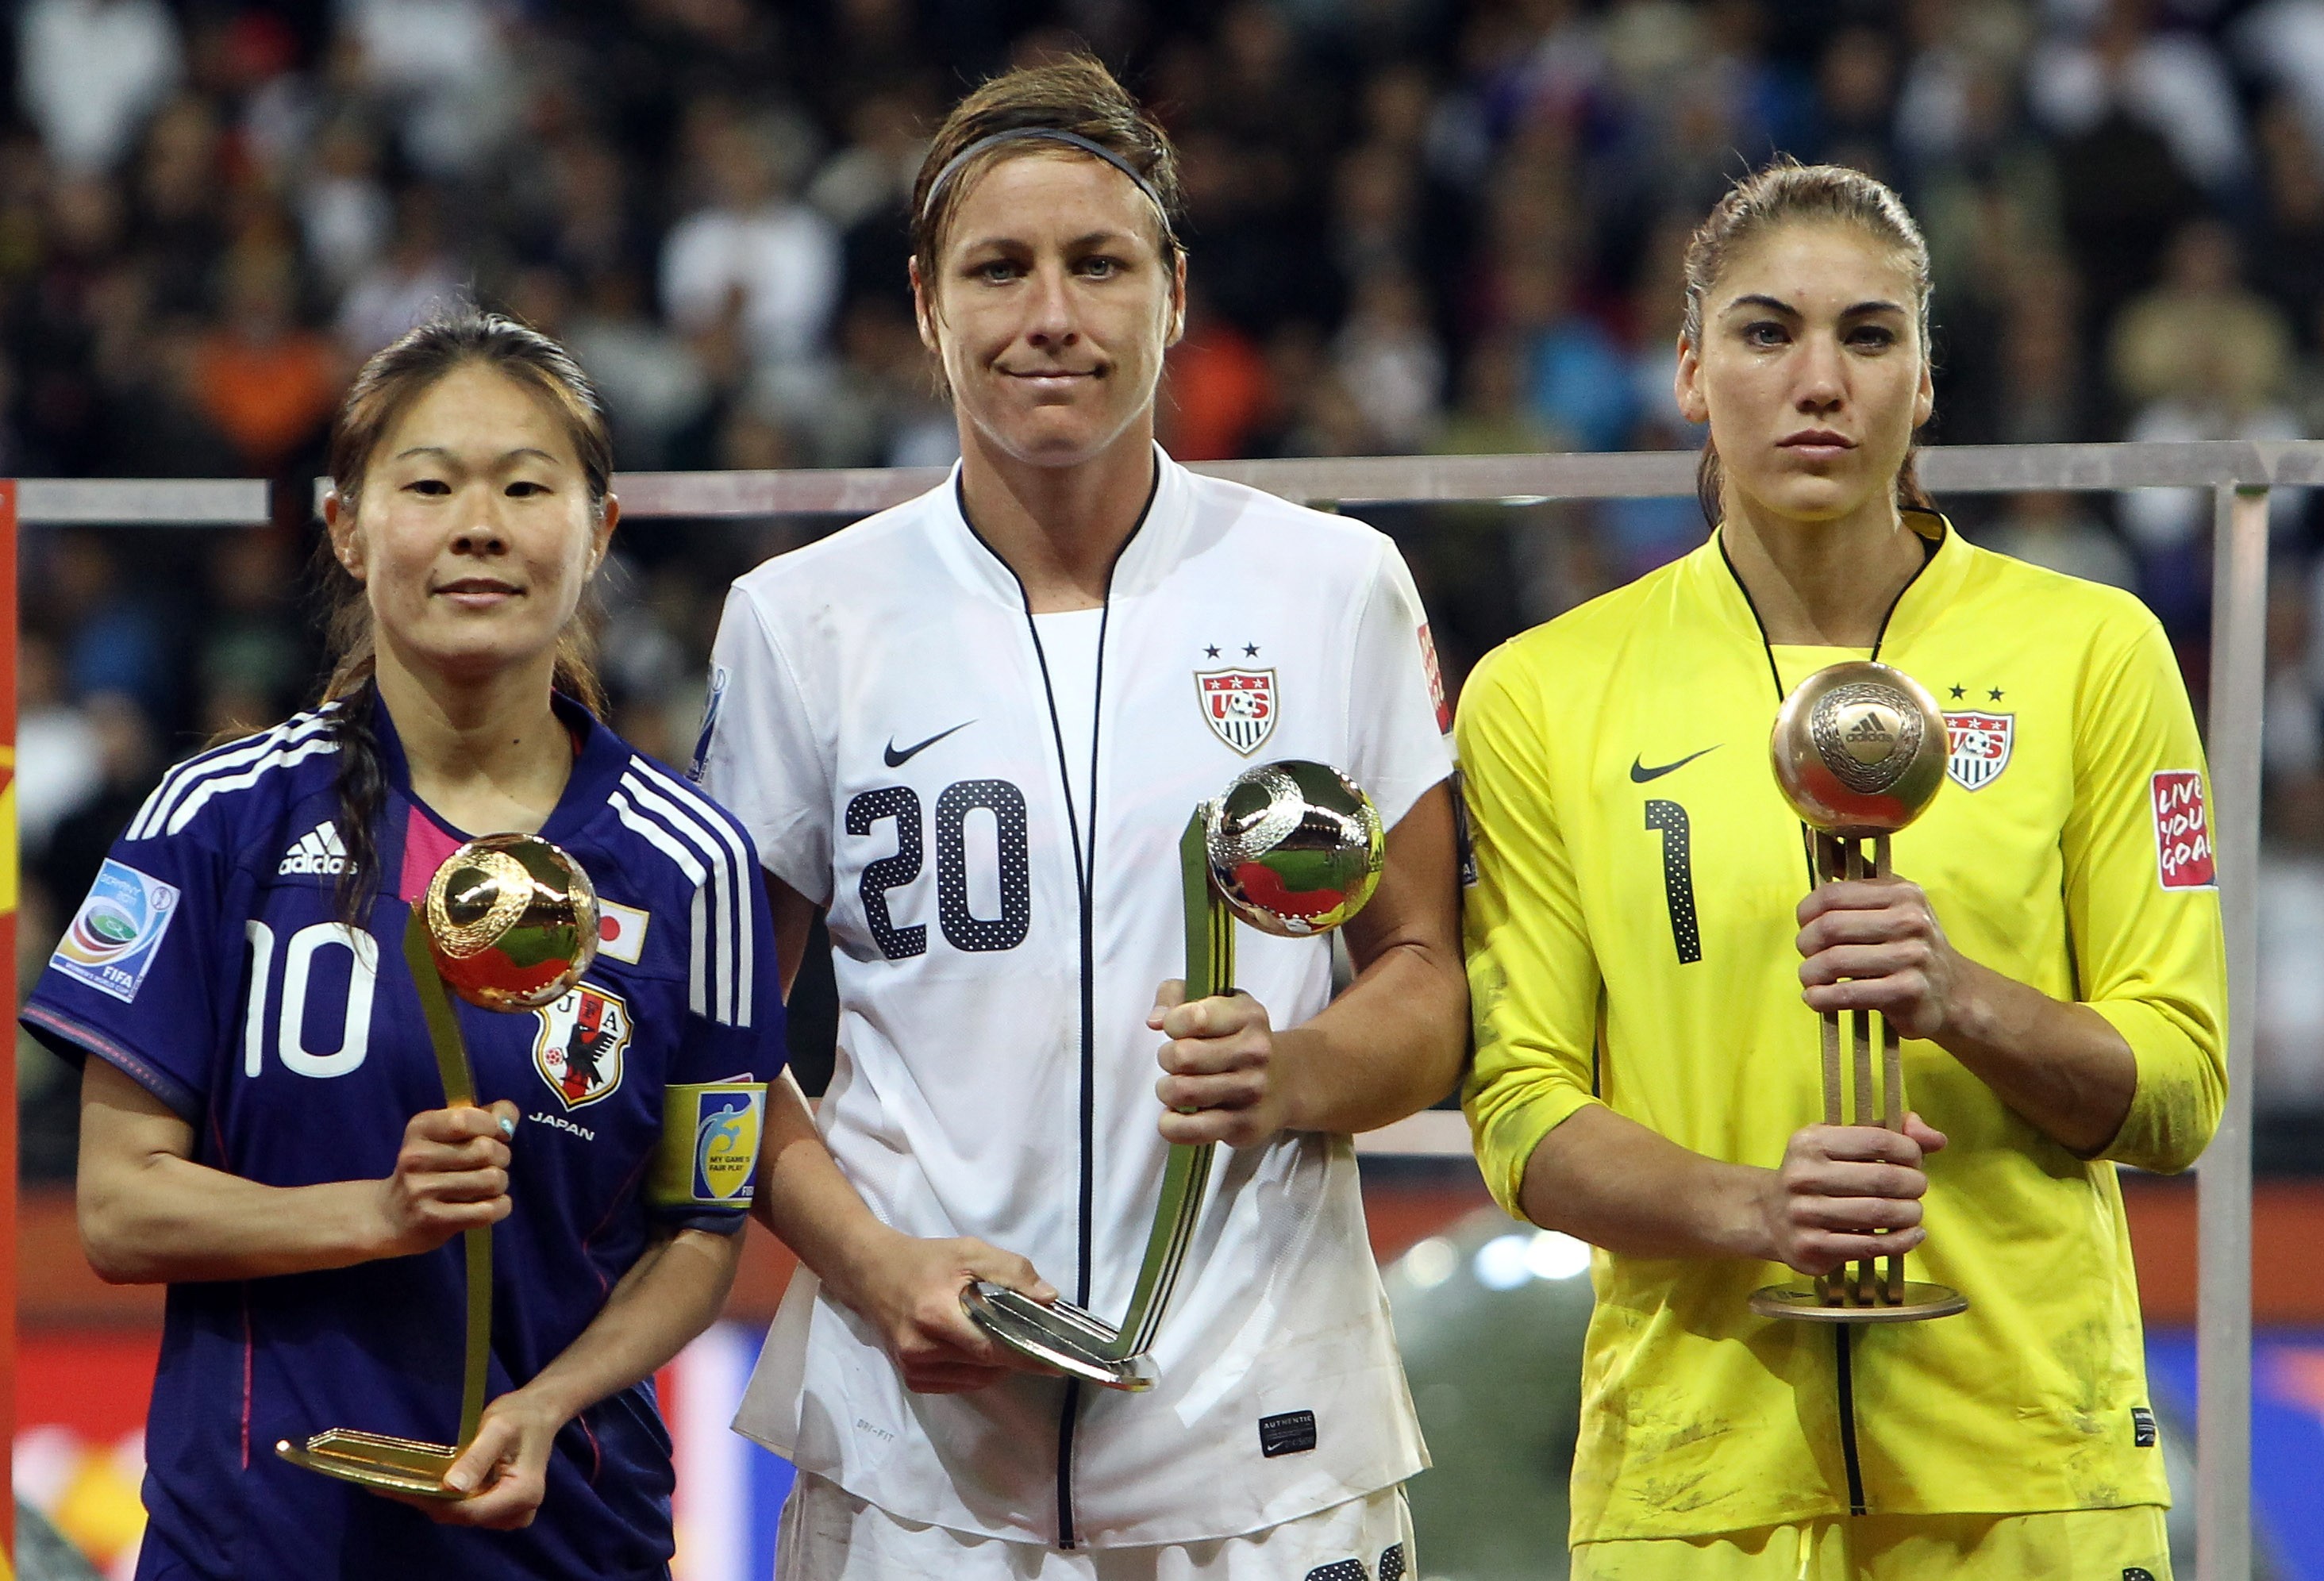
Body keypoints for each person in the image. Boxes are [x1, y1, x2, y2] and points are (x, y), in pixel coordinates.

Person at [695, 56, 1468, 1580]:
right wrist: (870, 1264)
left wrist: (1296, 1067)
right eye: (1001, 268)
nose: (1052, 314)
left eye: (1098, 264)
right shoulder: (800, 621)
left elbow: (1431, 985)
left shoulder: (1334, 587)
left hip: (1268, 1436)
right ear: (928, 303)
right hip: (916, 1452)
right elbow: (712, 1041)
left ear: (1173, 292)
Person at [1459, 161, 2225, 1580]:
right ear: (1690, 371)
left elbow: (2177, 1091)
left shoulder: (2094, 652)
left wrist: (1962, 998)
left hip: (2029, 1467)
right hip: (1696, 1486)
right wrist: (1755, 1209)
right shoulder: (1543, 692)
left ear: (1925, 379)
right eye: (1767, 334)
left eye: (1869, 336)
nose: (1821, 380)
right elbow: (1521, 1112)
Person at [24, 312, 784, 1580]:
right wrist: (377, 1212)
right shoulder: (214, 821)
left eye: (526, 487)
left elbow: (701, 1233)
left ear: (596, 534)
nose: (477, 525)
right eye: (428, 484)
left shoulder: (694, 862)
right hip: (259, 1542)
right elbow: (116, 1206)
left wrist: (548, 1404)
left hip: (568, 1535)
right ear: (347, 526)